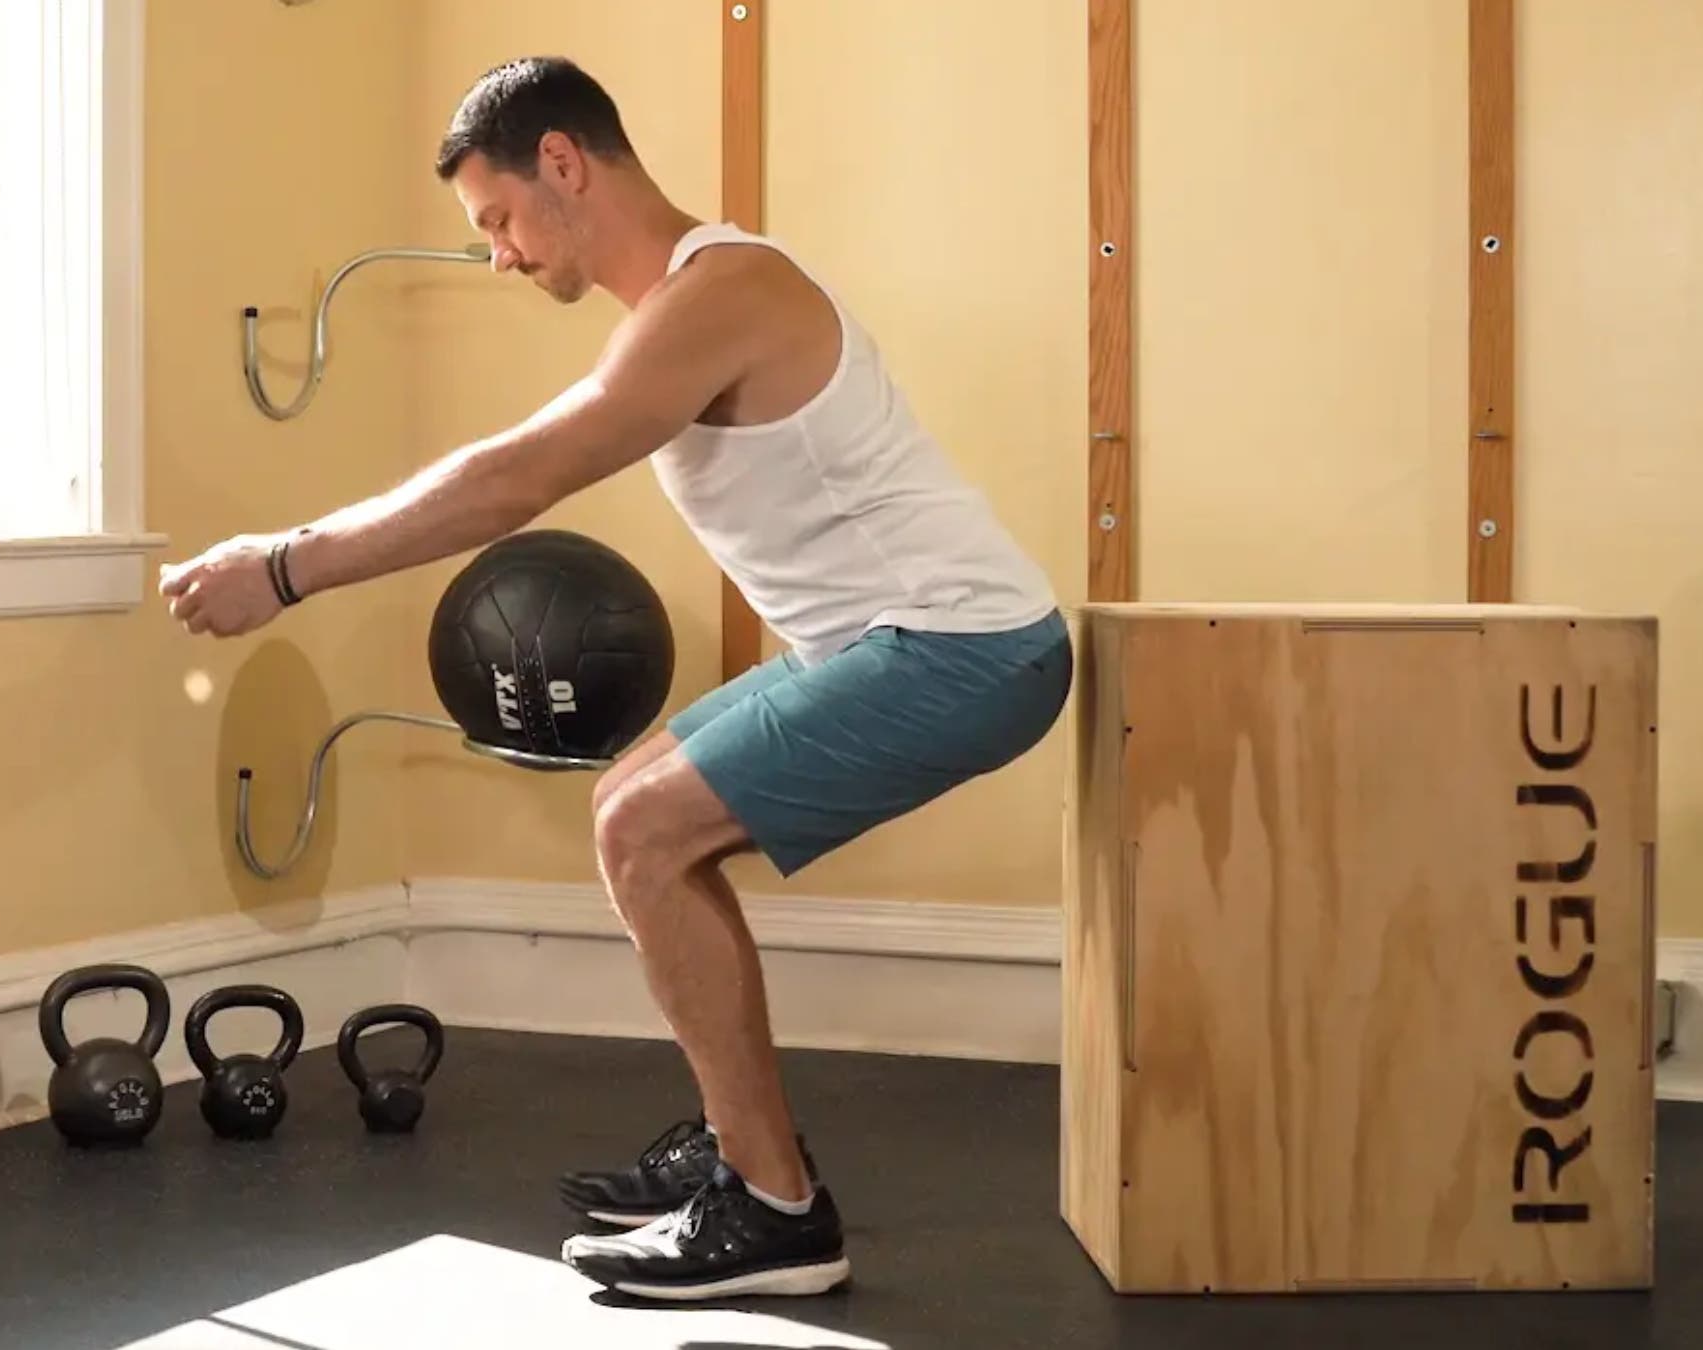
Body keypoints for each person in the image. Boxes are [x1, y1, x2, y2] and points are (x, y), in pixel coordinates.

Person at [157, 55, 1070, 1301]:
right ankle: (747, 1144)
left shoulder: (725, 291)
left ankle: (775, 1212)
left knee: (645, 829)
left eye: (498, 219)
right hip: (899, 646)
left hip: (962, 648)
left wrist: (286, 565)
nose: (501, 255)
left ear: (565, 165)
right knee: (631, 811)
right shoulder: (680, 310)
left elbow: (511, 480)